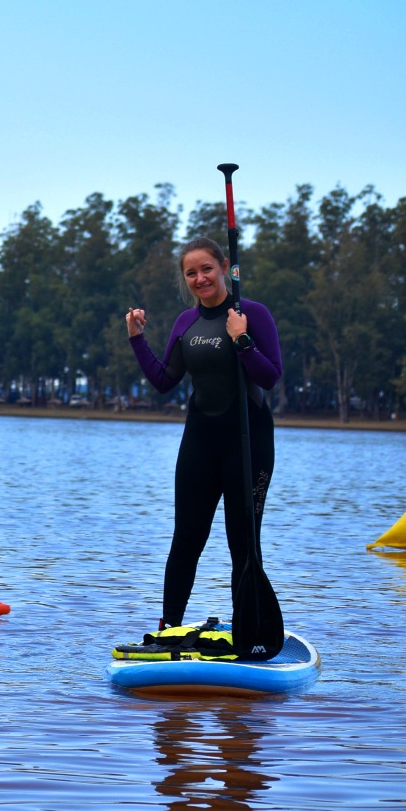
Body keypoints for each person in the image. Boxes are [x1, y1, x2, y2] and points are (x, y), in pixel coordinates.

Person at [126, 235, 282, 630]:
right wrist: (136, 339)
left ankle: (248, 629)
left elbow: (271, 377)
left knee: (242, 545)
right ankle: (168, 628)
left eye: (206, 269)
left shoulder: (253, 314)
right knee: (186, 540)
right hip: (199, 443)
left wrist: (242, 340)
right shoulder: (186, 322)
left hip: (249, 444)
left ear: (225, 266)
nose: (200, 278)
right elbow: (165, 380)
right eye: (191, 273)